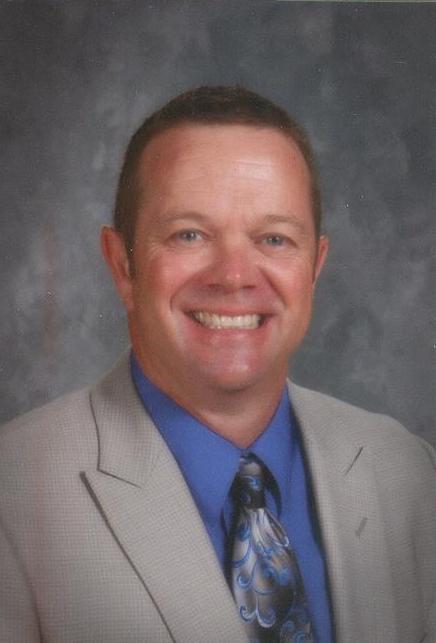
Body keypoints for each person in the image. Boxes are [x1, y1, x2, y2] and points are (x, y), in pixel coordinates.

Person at [0, 86, 434, 643]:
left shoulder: (407, 472)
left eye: (274, 238)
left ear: (314, 267)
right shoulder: (16, 494)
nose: (234, 276)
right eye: (190, 235)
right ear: (122, 266)